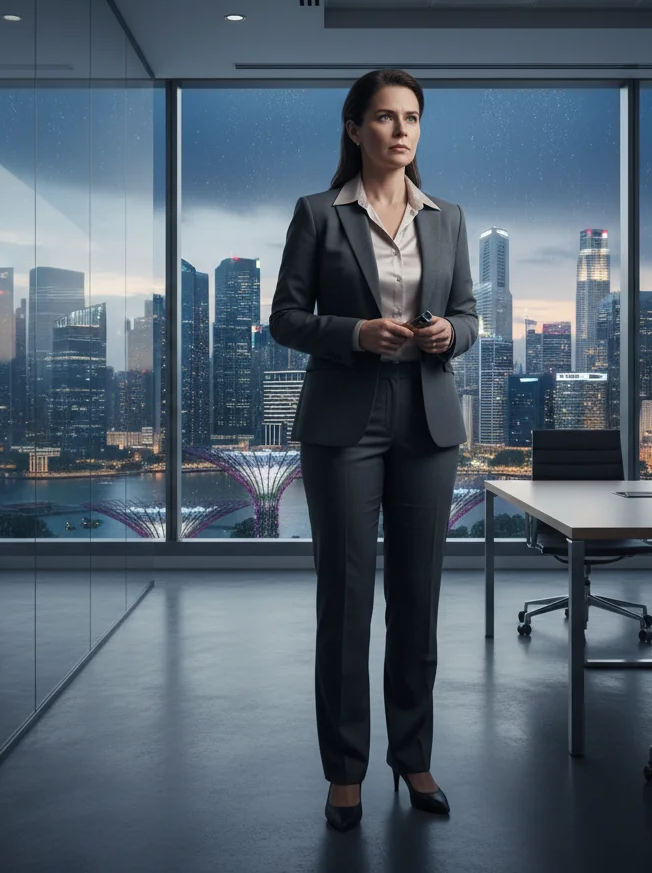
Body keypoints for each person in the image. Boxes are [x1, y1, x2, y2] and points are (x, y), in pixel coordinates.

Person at [269, 69, 477, 831]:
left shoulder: (447, 218)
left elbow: (469, 312)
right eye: (385, 118)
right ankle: (345, 772)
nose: (401, 131)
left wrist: (451, 333)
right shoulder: (319, 215)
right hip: (344, 419)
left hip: (427, 418)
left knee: (417, 602)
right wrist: (355, 333)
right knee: (347, 602)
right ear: (354, 128)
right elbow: (285, 319)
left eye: (412, 118)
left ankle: (414, 757)